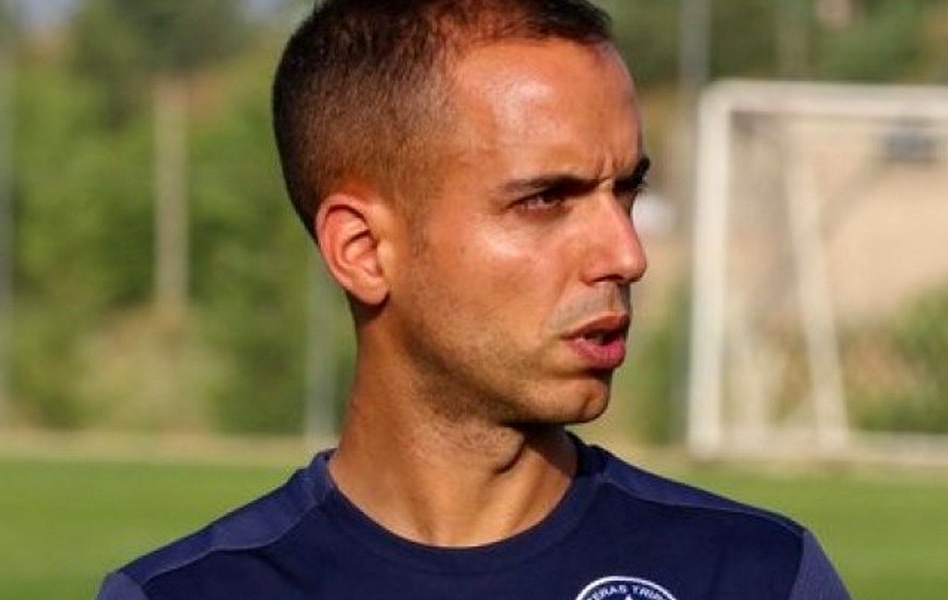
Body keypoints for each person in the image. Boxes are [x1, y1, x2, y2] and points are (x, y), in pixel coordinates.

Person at [98, 1, 851, 598]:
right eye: (545, 199)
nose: (627, 254)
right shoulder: (191, 592)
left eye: (625, 191)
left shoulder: (754, 574)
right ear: (362, 250)